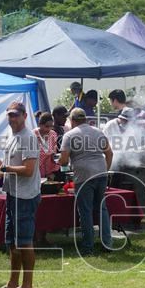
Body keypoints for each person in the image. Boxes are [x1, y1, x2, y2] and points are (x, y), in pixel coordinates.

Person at [0, 101, 40, 288]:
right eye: (10, 115)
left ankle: (27, 286)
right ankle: (12, 283)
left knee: (24, 242)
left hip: (25, 196)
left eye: (16, 115)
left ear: (25, 116)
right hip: (13, 194)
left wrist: (3, 168)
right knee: (12, 241)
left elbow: (28, 170)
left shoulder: (29, 138)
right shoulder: (13, 136)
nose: (13, 118)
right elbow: (8, 164)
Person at [60, 107, 113, 255]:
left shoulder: (69, 135)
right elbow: (109, 154)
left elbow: (63, 160)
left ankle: (88, 247)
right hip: (101, 173)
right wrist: (105, 170)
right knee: (102, 209)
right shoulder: (98, 132)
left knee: (86, 211)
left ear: (72, 121)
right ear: (85, 119)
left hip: (83, 176)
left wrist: (58, 161)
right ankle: (107, 243)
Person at [35, 112, 61, 181]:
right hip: (36, 173)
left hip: (49, 173)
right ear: (39, 124)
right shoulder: (33, 135)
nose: (49, 129)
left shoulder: (53, 134)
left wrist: (52, 172)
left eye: (51, 126)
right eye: (47, 126)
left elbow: (53, 156)